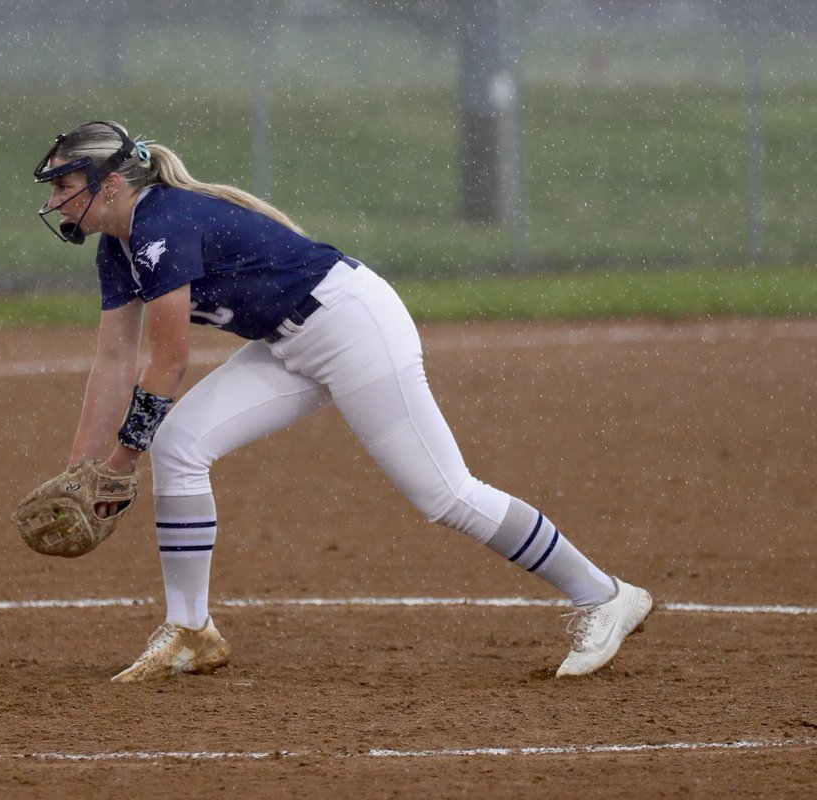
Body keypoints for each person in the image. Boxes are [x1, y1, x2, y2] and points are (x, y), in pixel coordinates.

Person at [32, 120, 653, 683]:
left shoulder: (160, 224)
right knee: (181, 445)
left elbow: (167, 362)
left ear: (112, 184)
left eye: (67, 183)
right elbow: (114, 359)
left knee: (444, 493)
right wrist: (82, 467)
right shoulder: (119, 246)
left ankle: (602, 594)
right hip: (287, 341)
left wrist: (119, 463)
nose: (57, 198)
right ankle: (191, 629)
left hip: (352, 326)